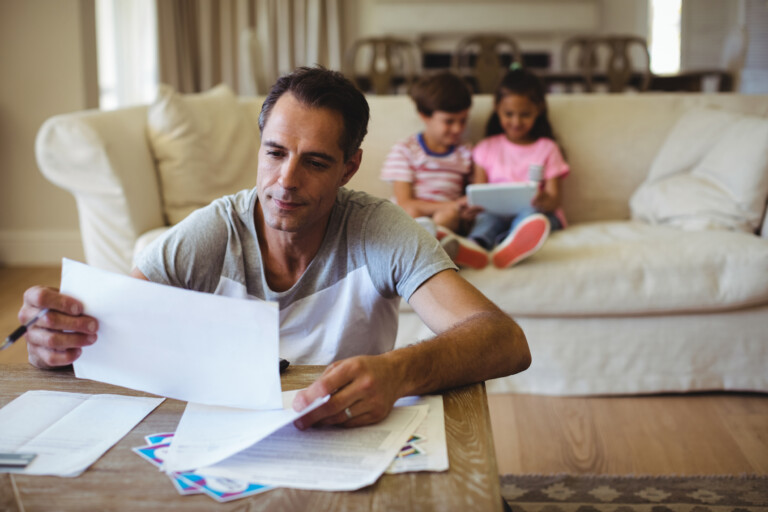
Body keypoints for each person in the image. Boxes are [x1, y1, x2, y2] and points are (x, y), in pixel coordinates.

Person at [18, 66, 531, 430]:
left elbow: (504, 339)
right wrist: (53, 341)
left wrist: (398, 371)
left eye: (314, 162)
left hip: (349, 435)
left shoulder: (379, 229)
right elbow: (104, 336)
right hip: (220, 438)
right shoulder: (213, 230)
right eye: (275, 153)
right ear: (260, 144)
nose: (285, 181)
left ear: (349, 167)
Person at [380, 71, 488, 270]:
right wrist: (451, 205)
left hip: (448, 218)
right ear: (424, 116)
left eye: (463, 120)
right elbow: (405, 201)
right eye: (449, 121)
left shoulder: (465, 152)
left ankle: (430, 254)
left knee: (446, 217)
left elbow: (476, 194)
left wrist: (466, 207)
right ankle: (441, 253)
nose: (457, 129)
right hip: (414, 214)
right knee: (410, 211)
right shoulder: (406, 149)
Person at [466, 66, 570, 269]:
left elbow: (555, 199)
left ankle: (512, 244)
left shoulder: (547, 148)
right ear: (497, 108)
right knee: (486, 220)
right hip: (495, 213)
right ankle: (475, 246)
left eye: (525, 115)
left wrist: (543, 201)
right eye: (509, 114)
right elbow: (480, 191)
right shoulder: (486, 148)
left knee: (530, 216)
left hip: (535, 212)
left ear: (538, 110)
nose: (516, 121)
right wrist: (474, 208)